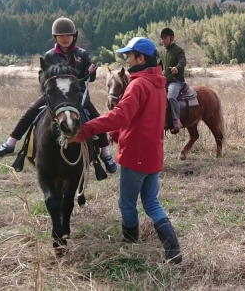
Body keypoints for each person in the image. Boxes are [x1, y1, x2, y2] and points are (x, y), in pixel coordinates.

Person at [68, 37, 182, 264]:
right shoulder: (157, 82)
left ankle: (130, 246)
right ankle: (174, 252)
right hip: (153, 155)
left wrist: (87, 129)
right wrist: (119, 133)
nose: (126, 60)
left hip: (136, 156)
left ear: (140, 58)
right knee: (151, 202)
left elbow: (121, 115)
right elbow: (143, 118)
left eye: (129, 56)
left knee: (127, 204)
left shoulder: (138, 85)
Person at [0, 17, 117, 173]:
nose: (65, 38)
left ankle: (105, 154)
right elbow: (41, 77)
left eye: (68, 35)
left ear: (74, 36)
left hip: (77, 95)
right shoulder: (50, 56)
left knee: (97, 118)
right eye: (61, 35)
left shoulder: (82, 54)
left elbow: (89, 78)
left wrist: (91, 72)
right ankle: (10, 143)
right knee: (31, 111)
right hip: (55, 96)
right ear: (55, 37)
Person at [157, 27, 186, 134]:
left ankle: (177, 121)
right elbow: (158, 66)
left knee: (171, 97)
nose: (163, 40)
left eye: (165, 38)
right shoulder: (162, 52)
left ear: (172, 38)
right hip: (165, 81)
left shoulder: (178, 50)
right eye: (162, 38)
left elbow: (182, 62)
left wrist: (177, 68)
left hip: (176, 81)